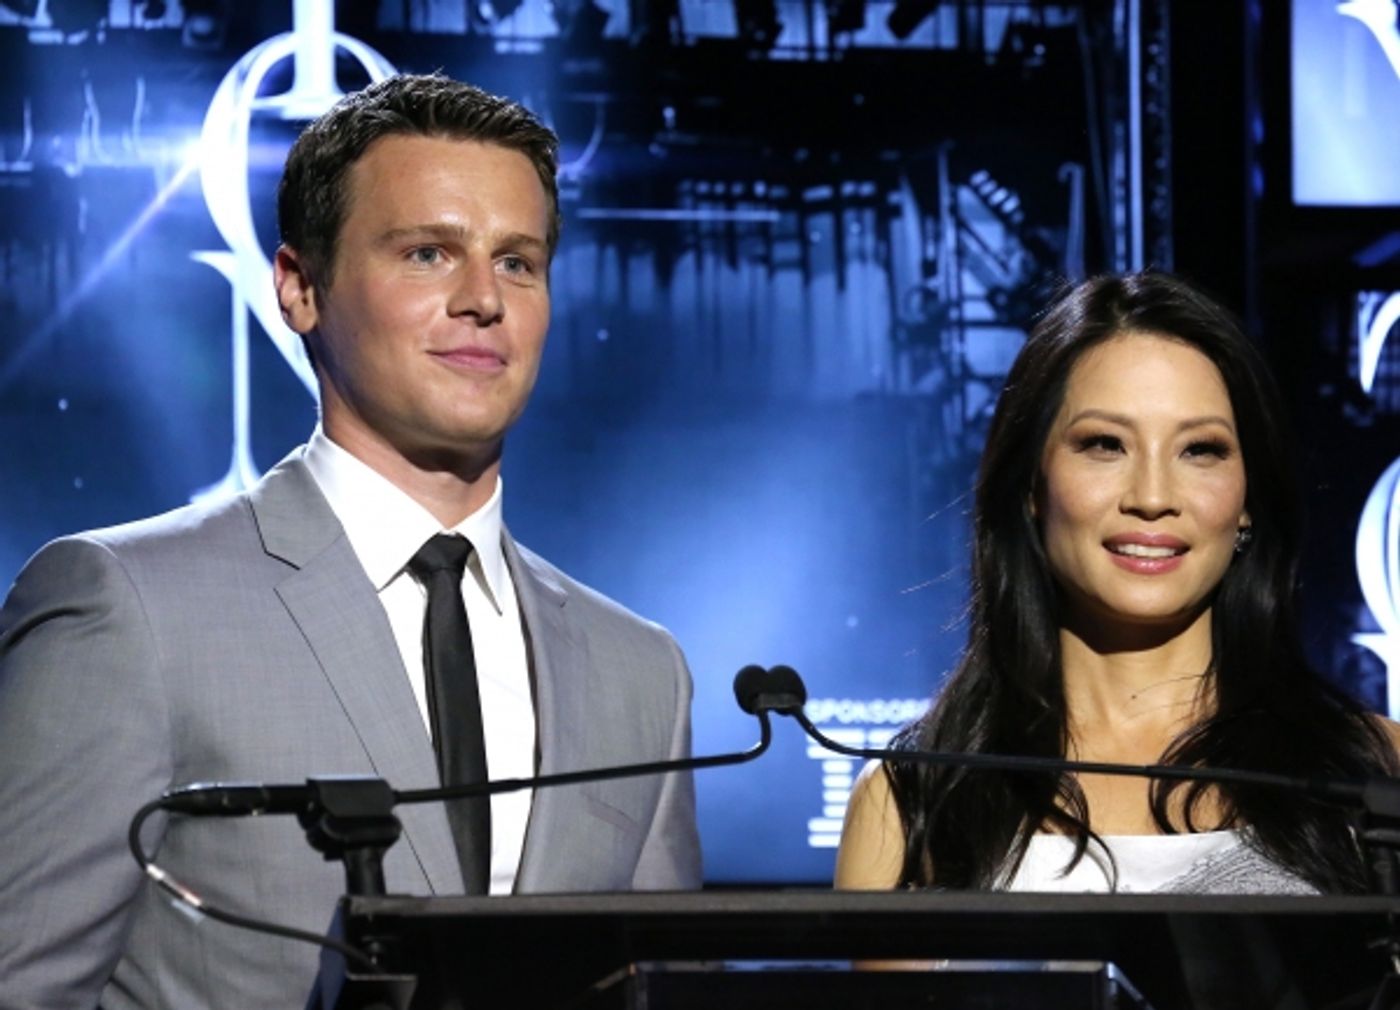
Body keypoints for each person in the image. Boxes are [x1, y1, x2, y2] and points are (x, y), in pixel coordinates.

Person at [0, 74, 701, 1010]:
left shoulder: (641, 672)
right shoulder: (128, 609)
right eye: (427, 254)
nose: (483, 298)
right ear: (298, 287)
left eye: (519, 261)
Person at [836, 271, 1399, 895]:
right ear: (1030, 487)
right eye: (1105, 444)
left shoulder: (1376, 773)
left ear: (1247, 500)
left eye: (1200, 450)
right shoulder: (913, 800)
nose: (1153, 498)